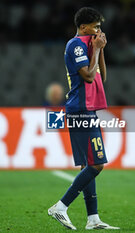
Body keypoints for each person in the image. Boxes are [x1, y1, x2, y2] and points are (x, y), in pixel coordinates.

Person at [48, 7, 119, 230]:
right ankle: (60, 207)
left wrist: (101, 50)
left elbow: (102, 77)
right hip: (80, 108)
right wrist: (95, 50)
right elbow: (88, 77)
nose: (99, 31)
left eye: (100, 27)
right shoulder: (75, 45)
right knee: (97, 164)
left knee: (88, 164)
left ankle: (93, 218)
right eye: (95, 27)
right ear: (83, 27)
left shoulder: (90, 46)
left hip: (89, 109)